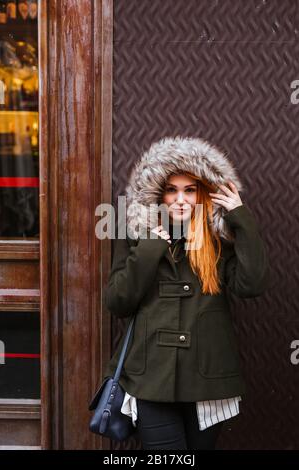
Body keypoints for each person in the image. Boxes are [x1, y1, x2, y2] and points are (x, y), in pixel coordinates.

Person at [103, 136, 269, 450]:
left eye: (190, 190)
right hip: (151, 378)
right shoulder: (137, 233)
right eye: (172, 189)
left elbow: (252, 285)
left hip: (208, 378)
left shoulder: (220, 240)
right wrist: (150, 249)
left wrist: (241, 220)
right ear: (157, 194)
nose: (181, 199)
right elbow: (118, 302)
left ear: (204, 194)